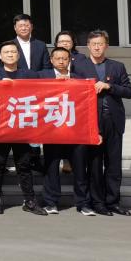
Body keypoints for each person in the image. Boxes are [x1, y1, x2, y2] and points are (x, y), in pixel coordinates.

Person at [74, 30, 131, 216]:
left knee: (114, 165)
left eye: (100, 44)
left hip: (113, 120)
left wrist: (110, 86)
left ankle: (113, 201)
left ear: (106, 46)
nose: (97, 47)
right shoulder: (79, 66)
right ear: (88, 46)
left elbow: (129, 91)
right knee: (95, 164)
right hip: (92, 121)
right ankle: (98, 202)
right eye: (93, 44)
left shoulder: (117, 66)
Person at [0, 42, 45, 215]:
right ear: (0, 56)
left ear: (19, 55)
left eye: (13, 51)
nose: (10, 54)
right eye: (6, 52)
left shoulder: (30, 75)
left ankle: (30, 201)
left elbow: (40, 95)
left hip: (22, 127)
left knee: (24, 165)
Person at [37, 46, 80, 215]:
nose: (61, 61)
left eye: (64, 58)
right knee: (51, 166)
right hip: (51, 128)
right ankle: (51, 201)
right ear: (51, 60)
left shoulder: (78, 78)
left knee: (78, 165)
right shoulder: (42, 76)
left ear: (70, 60)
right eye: (58, 58)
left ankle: (82, 201)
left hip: (72, 128)